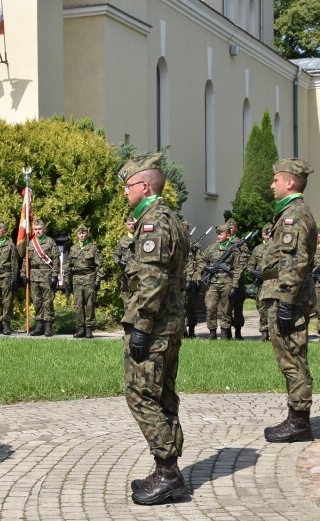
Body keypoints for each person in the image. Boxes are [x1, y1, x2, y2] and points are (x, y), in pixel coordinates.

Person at [118, 152, 188, 505]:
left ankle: (168, 471)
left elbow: (152, 280)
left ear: (144, 186)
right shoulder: (169, 218)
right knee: (163, 394)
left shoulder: (153, 223)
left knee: (140, 394)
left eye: (129, 186)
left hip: (155, 324)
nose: (125, 192)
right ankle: (167, 467)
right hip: (169, 322)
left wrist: (142, 325)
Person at [261, 158, 317, 443]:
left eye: (275, 180)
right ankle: (296, 417)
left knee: (293, 359)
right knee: (289, 358)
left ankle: (299, 422)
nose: (272, 185)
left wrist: (285, 301)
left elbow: (294, 262)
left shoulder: (294, 215)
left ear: (290, 182)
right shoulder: (288, 213)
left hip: (288, 298)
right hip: (285, 295)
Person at [20, 219, 61, 337]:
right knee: (37, 301)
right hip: (34, 275)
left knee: (47, 301)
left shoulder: (50, 242)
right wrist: (23, 274)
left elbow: (56, 259)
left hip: (46, 274)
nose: (37, 231)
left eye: (40, 229)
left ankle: (48, 326)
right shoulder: (31, 243)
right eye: (36, 229)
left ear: (44, 230)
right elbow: (25, 260)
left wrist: (55, 275)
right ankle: (39, 326)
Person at [64, 224, 104, 338]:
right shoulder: (73, 248)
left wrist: (98, 280)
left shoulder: (93, 248)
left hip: (89, 278)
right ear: (77, 235)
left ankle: (89, 329)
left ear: (87, 234)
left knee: (90, 304)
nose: (82, 235)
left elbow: (100, 265)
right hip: (77, 279)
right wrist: (67, 280)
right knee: (78, 304)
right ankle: (80, 328)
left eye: (84, 233)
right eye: (80, 233)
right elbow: (68, 266)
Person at [201, 223, 240, 339]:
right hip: (213, 282)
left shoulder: (234, 249)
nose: (218, 236)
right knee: (210, 307)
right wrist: (206, 268)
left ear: (228, 235)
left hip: (227, 281)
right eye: (218, 234)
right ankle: (212, 333)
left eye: (221, 234)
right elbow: (202, 260)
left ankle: (224, 334)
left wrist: (234, 285)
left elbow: (238, 268)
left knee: (226, 309)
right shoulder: (211, 247)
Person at [246, 223, 272, 341]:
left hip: (273, 282)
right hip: (261, 283)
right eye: (265, 234)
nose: (266, 236)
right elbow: (250, 266)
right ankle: (264, 331)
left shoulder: (278, 248)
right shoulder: (258, 249)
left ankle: (274, 331)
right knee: (261, 307)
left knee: (274, 307)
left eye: (268, 233)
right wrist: (256, 273)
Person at [227, 219, 250, 340]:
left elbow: (244, 260)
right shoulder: (223, 242)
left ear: (236, 229)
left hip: (238, 280)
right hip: (225, 280)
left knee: (238, 308)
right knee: (226, 308)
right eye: (228, 227)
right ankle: (226, 332)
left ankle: (238, 331)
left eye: (232, 227)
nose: (230, 229)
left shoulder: (241, 243)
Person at [182, 220, 204, 338]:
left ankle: (191, 330)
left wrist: (197, 278)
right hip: (179, 279)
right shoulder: (177, 243)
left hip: (191, 280)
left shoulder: (194, 244)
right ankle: (182, 330)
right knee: (180, 306)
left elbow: (200, 262)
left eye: (186, 229)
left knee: (191, 306)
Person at [113, 215, 135, 313]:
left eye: (133, 224)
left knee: (136, 298)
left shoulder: (141, 238)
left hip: (137, 276)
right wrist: (119, 262)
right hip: (126, 276)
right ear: (126, 225)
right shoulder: (122, 240)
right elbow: (115, 255)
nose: (131, 226)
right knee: (126, 300)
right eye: (129, 224)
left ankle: (137, 325)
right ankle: (128, 325)